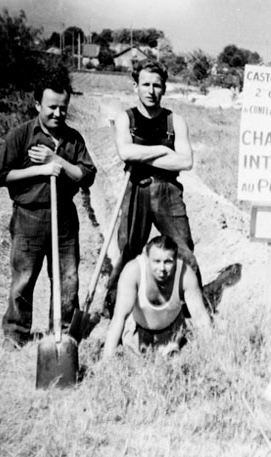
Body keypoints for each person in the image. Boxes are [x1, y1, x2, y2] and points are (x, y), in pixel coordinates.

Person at [0, 76, 97, 349]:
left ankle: (63, 332)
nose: (57, 113)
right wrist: (39, 170)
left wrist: (57, 161)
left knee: (68, 278)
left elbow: (86, 176)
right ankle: (15, 333)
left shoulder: (73, 139)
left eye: (63, 107)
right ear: (37, 103)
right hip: (29, 216)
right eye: (52, 106)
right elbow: (3, 176)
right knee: (24, 277)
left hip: (64, 217)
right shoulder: (20, 135)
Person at [104, 60, 200, 315]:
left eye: (157, 85)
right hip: (136, 188)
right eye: (145, 84)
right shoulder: (126, 118)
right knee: (129, 249)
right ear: (135, 86)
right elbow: (125, 152)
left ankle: (192, 307)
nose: (151, 90)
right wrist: (161, 150)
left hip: (168, 191)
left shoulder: (175, 121)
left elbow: (186, 161)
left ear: (164, 89)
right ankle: (115, 304)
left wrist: (141, 154)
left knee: (183, 247)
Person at [102, 235, 211, 359]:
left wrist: (210, 354)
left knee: (174, 366)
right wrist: (107, 363)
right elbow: (118, 319)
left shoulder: (185, 275)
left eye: (168, 262)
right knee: (138, 369)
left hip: (172, 330)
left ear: (176, 260)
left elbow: (201, 317)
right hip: (138, 331)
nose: (162, 268)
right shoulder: (133, 271)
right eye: (156, 261)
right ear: (147, 259)